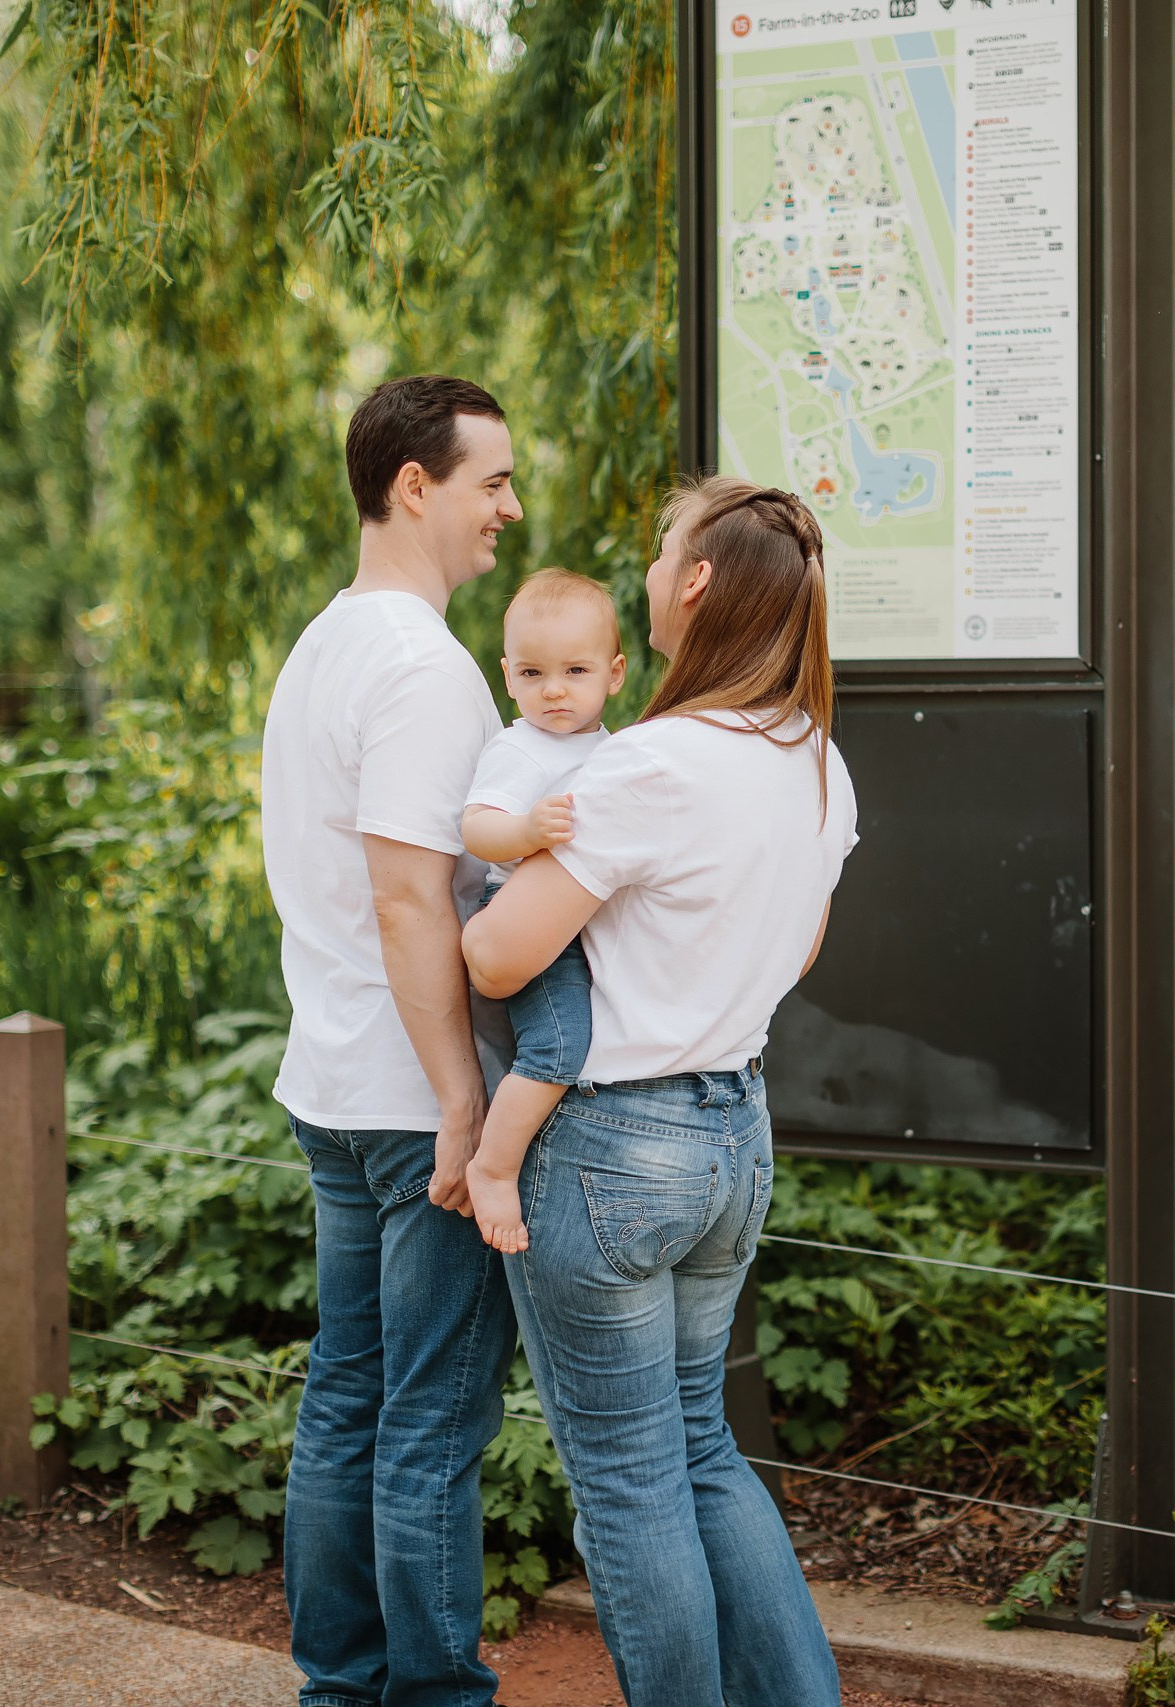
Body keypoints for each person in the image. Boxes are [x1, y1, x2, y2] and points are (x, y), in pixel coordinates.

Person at [462, 476, 858, 1706]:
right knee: (700, 1449)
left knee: (631, 1481)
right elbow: (793, 955)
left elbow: (497, 956)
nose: (647, 565)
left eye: (660, 548)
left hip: (608, 1149)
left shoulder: (652, 764)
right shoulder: (817, 763)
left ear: (693, 583)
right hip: (732, 1137)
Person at [259, 373, 523, 1707]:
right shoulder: (424, 666)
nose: (509, 510)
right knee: (431, 1413)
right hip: (417, 1099)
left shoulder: (323, 642)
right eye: (492, 480)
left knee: (350, 1396)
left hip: (334, 1079)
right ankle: (429, 1694)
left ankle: (340, 1685)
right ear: (415, 484)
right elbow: (412, 895)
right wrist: (465, 1102)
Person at [459, 568, 628, 1254]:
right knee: (558, 1044)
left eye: (575, 670)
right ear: (507, 675)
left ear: (614, 673)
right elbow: (476, 828)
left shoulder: (608, 745)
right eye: (532, 672)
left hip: (581, 922)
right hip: (529, 921)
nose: (553, 689)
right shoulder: (519, 748)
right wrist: (526, 830)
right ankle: (494, 1167)